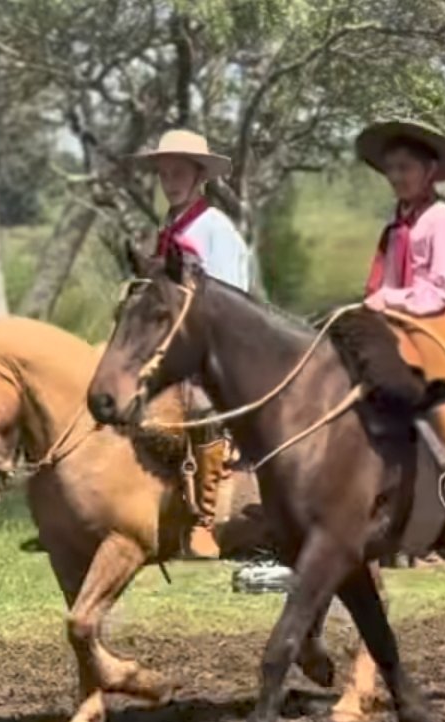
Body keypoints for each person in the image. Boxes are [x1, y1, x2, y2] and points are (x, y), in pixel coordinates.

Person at [356, 120, 445, 509]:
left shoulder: (443, 221)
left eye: (406, 167)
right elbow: (381, 279)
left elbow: (440, 290)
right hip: (395, 310)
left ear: (429, 171)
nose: (397, 177)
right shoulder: (396, 226)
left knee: (435, 352)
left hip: (436, 311)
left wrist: (390, 299)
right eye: (392, 169)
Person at [131, 129, 251, 558]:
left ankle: (204, 521)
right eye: (164, 173)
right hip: (170, 343)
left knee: (202, 406)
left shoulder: (215, 228)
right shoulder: (168, 226)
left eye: (179, 172)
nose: (171, 180)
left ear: (200, 175)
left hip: (214, 346)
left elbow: (229, 298)